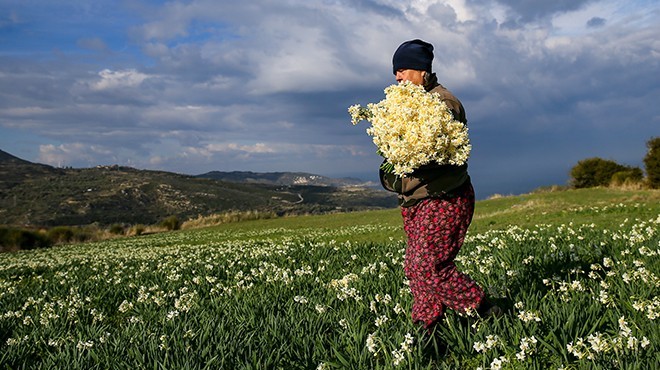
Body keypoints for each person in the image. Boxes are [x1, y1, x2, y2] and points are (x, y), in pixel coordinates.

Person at [380, 39, 502, 333]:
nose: (398, 77)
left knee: (429, 266)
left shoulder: (443, 103)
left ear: (423, 71)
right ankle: (428, 327)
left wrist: (403, 162)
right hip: (417, 201)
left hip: (446, 198)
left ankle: (486, 309)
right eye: (395, 72)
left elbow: (429, 152)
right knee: (415, 268)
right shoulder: (406, 105)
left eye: (404, 69)